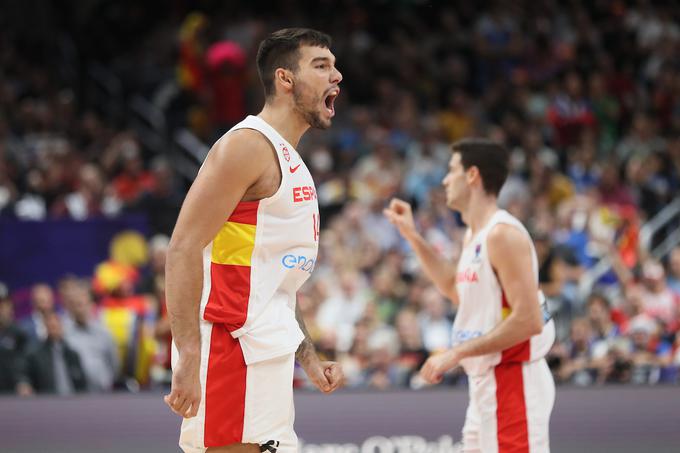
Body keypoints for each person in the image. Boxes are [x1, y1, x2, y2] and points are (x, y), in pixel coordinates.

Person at [164, 28, 344, 453]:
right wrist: (189, 355)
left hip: (265, 349)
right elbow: (182, 248)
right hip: (229, 347)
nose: (336, 75)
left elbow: (275, 282)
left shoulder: (290, 159)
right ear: (285, 80)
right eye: (321, 66)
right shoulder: (247, 146)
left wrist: (309, 358)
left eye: (335, 66)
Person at [384, 138, 556, 452]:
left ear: (472, 175)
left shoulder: (503, 234)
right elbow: (453, 287)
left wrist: (457, 353)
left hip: (513, 380)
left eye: (452, 171)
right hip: (486, 384)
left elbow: (529, 320)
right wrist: (411, 235)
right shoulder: (473, 235)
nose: (445, 179)